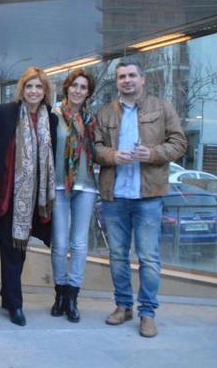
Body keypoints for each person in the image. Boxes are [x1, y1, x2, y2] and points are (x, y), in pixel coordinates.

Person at [94, 60, 186, 338]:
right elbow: (96, 148)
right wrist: (112, 156)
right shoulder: (105, 112)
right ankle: (123, 306)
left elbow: (180, 143)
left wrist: (154, 153)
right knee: (118, 256)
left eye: (132, 75)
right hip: (115, 195)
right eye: (122, 76)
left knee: (149, 258)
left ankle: (147, 313)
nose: (127, 80)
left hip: (148, 196)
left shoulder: (162, 107)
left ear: (143, 79)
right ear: (117, 81)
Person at [0, 66, 57, 327]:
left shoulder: (52, 119)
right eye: (29, 86)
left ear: (45, 91)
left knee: (20, 250)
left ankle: (7, 293)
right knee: (10, 250)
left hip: (35, 198)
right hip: (7, 194)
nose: (34, 91)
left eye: (39, 87)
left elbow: (52, 160)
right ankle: (16, 304)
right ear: (22, 89)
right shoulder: (5, 113)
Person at [50, 69, 98, 323]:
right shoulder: (54, 115)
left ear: (88, 92)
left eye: (83, 87)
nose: (78, 91)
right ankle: (59, 292)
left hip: (86, 185)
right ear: (67, 88)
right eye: (74, 86)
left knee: (79, 244)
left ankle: (72, 296)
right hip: (59, 185)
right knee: (59, 243)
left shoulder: (92, 119)